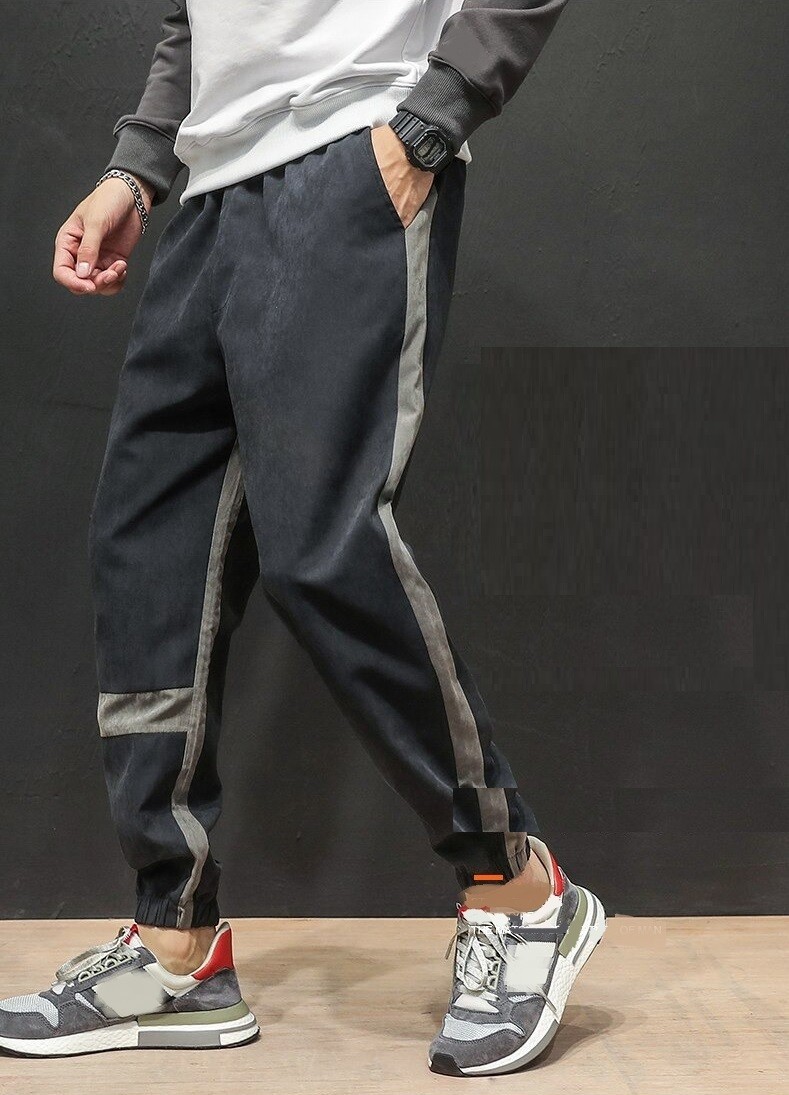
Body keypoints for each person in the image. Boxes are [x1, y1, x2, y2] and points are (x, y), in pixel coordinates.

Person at [0, 0, 605, 1076]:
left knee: (323, 548)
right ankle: (177, 946)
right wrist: (137, 167)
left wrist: (431, 119)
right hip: (211, 190)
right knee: (147, 558)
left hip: (349, 150)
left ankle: (517, 886)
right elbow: (200, 15)